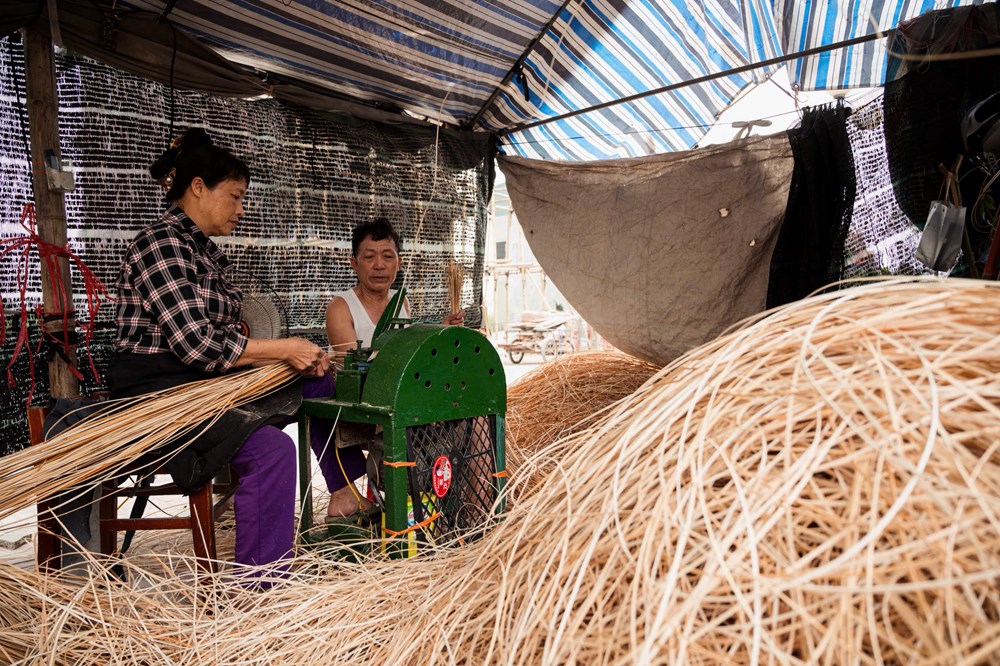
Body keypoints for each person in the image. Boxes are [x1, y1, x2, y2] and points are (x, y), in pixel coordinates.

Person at [109, 128, 331, 585]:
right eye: (234, 196)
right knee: (272, 452)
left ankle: (345, 493)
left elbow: (225, 336)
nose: (240, 209)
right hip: (161, 394)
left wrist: (292, 358)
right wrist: (284, 349)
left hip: (203, 382)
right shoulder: (160, 245)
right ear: (197, 187)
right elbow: (198, 344)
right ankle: (261, 586)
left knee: (322, 381)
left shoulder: (199, 252)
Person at [317, 218, 463, 520]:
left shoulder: (400, 300)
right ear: (354, 263)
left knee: (461, 417)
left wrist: (438, 330)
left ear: (399, 262)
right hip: (363, 405)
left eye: (387, 256)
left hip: (400, 397)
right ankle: (402, 505)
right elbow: (352, 366)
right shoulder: (341, 307)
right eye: (369, 257)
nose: (379, 265)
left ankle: (452, 500)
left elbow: (406, 345)